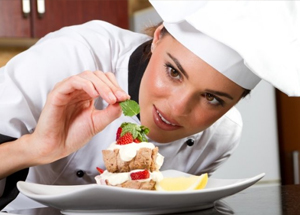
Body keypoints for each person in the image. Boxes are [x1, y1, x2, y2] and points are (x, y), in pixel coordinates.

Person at [0, 0, 299, 211]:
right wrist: (35, 148)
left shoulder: (221, 137)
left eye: (212, 98)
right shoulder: (70, 56)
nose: (178, 108)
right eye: (174, 72)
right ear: (157, 38)